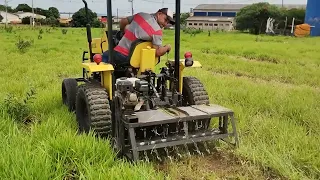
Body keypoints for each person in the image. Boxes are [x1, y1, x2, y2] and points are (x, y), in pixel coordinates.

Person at [102, 8, 175, 66]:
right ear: (159, 14)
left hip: (122, 54)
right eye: (165, 20)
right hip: (136, 59)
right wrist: (167, 47)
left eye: (167, 22)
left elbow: (123, 21)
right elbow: (158, 51)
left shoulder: (141, 15)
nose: (165, 24)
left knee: (104, 56)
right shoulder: (157, 32)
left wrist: (123, 32)